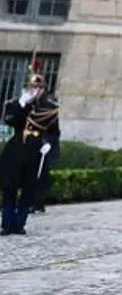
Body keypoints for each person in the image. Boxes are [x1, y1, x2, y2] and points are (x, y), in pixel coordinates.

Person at [0, 62, 59, 235]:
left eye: (39, 87)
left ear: (43, 89)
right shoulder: (17, 104)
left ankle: (20, 223)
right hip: (17, 147)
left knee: (29, 188)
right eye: (33, 86)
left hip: (35, 149)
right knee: (9, 187)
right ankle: (7, 223)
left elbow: (54, 131)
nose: (36, 90)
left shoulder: (49, 108)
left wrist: (48, 143)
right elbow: (11, 120)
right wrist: (22, 105)